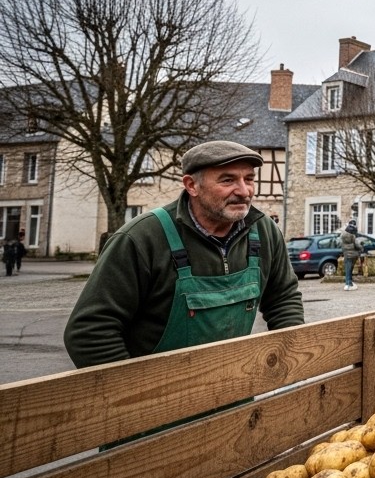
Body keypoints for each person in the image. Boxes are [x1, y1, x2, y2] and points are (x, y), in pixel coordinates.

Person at [64, 141, 304, 368]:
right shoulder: (142, 239)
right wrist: (134, 396)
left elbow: (283, 299)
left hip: (234, 391)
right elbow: (89, 332)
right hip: (159, 401)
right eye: (228, 180)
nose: (243, 191)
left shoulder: (264, 231)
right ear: (191, 186)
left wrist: (287, 360)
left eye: (249, 179)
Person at [340, 220, 361, 291]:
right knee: (350, 270)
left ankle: (349, 283)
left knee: (347, 270)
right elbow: (357, 245)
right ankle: (348, 284)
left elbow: (340, 245)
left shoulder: (342, 236)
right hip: (353, 255)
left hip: (346, 254)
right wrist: (361, 248)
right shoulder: (353, 235)